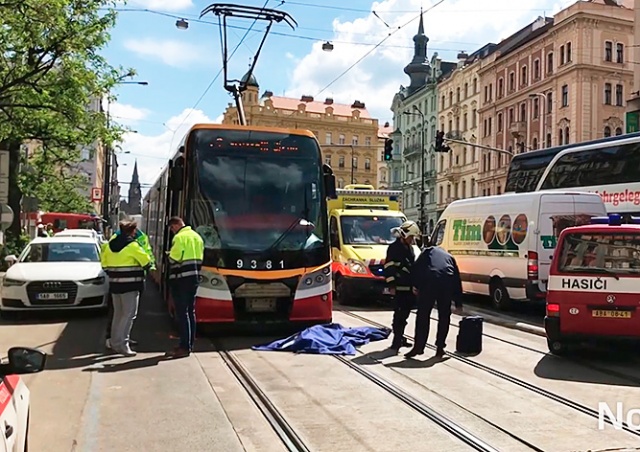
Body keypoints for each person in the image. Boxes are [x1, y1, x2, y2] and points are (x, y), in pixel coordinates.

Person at [101, 220, 151, 357]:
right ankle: (123, 345)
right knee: (129, 315)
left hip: (115, 285)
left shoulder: (110, 245)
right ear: (132, 231)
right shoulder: (133, 246)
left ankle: (114, 342)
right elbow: (146, 261)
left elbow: (104, 264)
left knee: (118, 315)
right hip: (131, 285)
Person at [405, 244, 464, 358]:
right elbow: (457, 280)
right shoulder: (449, 257)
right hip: (447, 281)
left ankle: (419, 347)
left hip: (429, 282)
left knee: (423, 314)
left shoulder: (427, 252)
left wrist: (415, 286)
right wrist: (458, 303)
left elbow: (416, 268)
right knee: (444, 316)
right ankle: (440, 348)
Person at [165, 216, 204, 358]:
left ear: (175, 225)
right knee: (190, 311)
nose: (172, 231)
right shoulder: (197, 237)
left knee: (182, 313)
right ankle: (189, 344)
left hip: (181, 279)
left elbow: (175, 258)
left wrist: (169, 255)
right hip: (194, 278)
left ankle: (184, 346)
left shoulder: (180, 238)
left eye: (172, 228)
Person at [383, 220, 421, 352]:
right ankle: (396, 340)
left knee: (404, 315)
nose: (412, 240)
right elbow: (389, 267)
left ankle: (400, 337)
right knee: (398, 315)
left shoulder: (410, 248)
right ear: (404, 235)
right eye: (411, 237)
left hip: (408, 287)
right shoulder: (394, 248)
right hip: (398, 288)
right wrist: (392, 285)